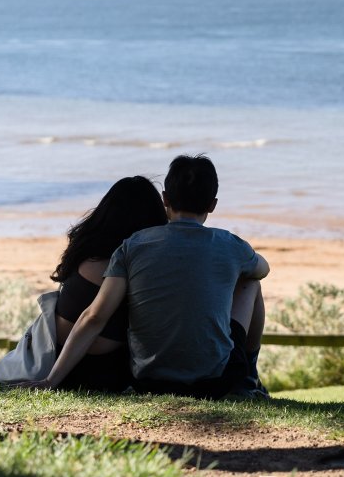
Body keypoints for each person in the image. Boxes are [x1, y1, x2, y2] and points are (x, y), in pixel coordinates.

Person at [24, 155, 271, 400]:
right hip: (214, 383)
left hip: (148, 382)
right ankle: (248, 378)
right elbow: (263, 269)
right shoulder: (230, 245)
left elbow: (94, 316)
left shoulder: (133, 246)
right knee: (250, 281)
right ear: (212, 205)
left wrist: (50, 380)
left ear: (165, 199)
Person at [51, 176, 168, 392]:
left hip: (57, 357)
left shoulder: (85, 252)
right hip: (100, 372)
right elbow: (94, 318)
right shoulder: (126, 263)